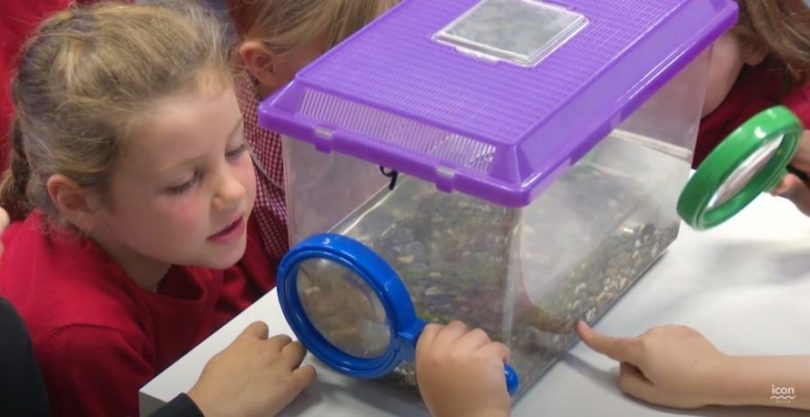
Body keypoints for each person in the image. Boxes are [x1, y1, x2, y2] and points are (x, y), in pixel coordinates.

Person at [0, 2, 284, 415]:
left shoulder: (188, 229)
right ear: (79, 202)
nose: (232, 191)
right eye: (184, 182)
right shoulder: (82, 339)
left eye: (236, 147)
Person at [224, 0, 398, 266]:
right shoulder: (236, 179)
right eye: (353, 67)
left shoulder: (369, 96)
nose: (378, 83)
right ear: (266, 65)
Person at [694, 0, 810, 213]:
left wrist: (797, 192)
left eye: (687, 53)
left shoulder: (795, 110)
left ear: (751, 45)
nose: (653, 82)